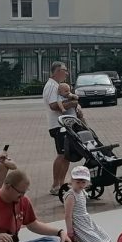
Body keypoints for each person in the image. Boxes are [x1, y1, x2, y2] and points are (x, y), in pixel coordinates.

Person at [43, 61, 78, 197]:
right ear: (57, 71)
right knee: (62, 154)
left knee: (66, 155)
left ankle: (61, 183)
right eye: (65, 70)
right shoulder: (52, 86)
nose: (67, 73)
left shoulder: (57, 85)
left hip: (65, 125)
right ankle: (55, 184)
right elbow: (53, 105)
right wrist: (71, 104)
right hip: (59, 125)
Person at [63, 165, 111, 242]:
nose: (81, 185)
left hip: (86, 221)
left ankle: (78, 238)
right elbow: (67, 215)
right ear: (72, 181)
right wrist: (70, 231)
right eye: (78, 182)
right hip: (78, 223)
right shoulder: (71, 195)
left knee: (105, 239)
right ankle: (75, 237)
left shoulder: (82, 191)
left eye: (83, 182)